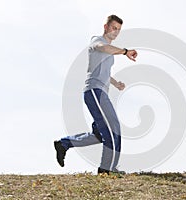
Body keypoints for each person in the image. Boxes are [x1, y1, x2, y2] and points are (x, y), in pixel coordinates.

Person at [54, 15, 138, 174]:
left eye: (119, 30)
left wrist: (115, 83)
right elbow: (102, 47)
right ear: (106, 27)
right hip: (94, 91)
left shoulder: (109, 50)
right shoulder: (97, 41)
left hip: (99, 92)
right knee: (113, 129)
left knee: (99, 135)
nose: (116, 32)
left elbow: (104, 72)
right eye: (114, 28)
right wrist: (125, 51)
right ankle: (107, 169)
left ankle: (63, 144)